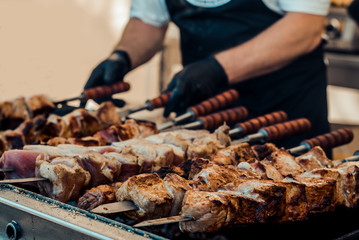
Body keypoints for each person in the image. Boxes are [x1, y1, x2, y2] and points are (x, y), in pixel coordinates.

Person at [84, 0, 331, 152]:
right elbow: (149, 20)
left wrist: (218, 67)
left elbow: (305, 27)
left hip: (284, 106)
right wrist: (122, 57)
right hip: (206, 107)